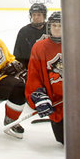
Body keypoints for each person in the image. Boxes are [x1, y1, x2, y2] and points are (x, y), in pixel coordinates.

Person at [25, 11, 64, 144]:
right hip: (56, 102)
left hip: (75, 101)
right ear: (49, 27)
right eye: (54, 25)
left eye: (60, 25)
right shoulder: (39, 47)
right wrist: (38, 95)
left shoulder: (76, 44)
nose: (57, 28)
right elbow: (33, 75)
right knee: (63, 139)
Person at [13, 3, 48, 70]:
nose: (36, 17)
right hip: (30, 67)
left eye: (39, 15)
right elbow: (18, 54)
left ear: (44, 16)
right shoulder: (24, 31)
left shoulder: (51, 29)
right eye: (33, 15)